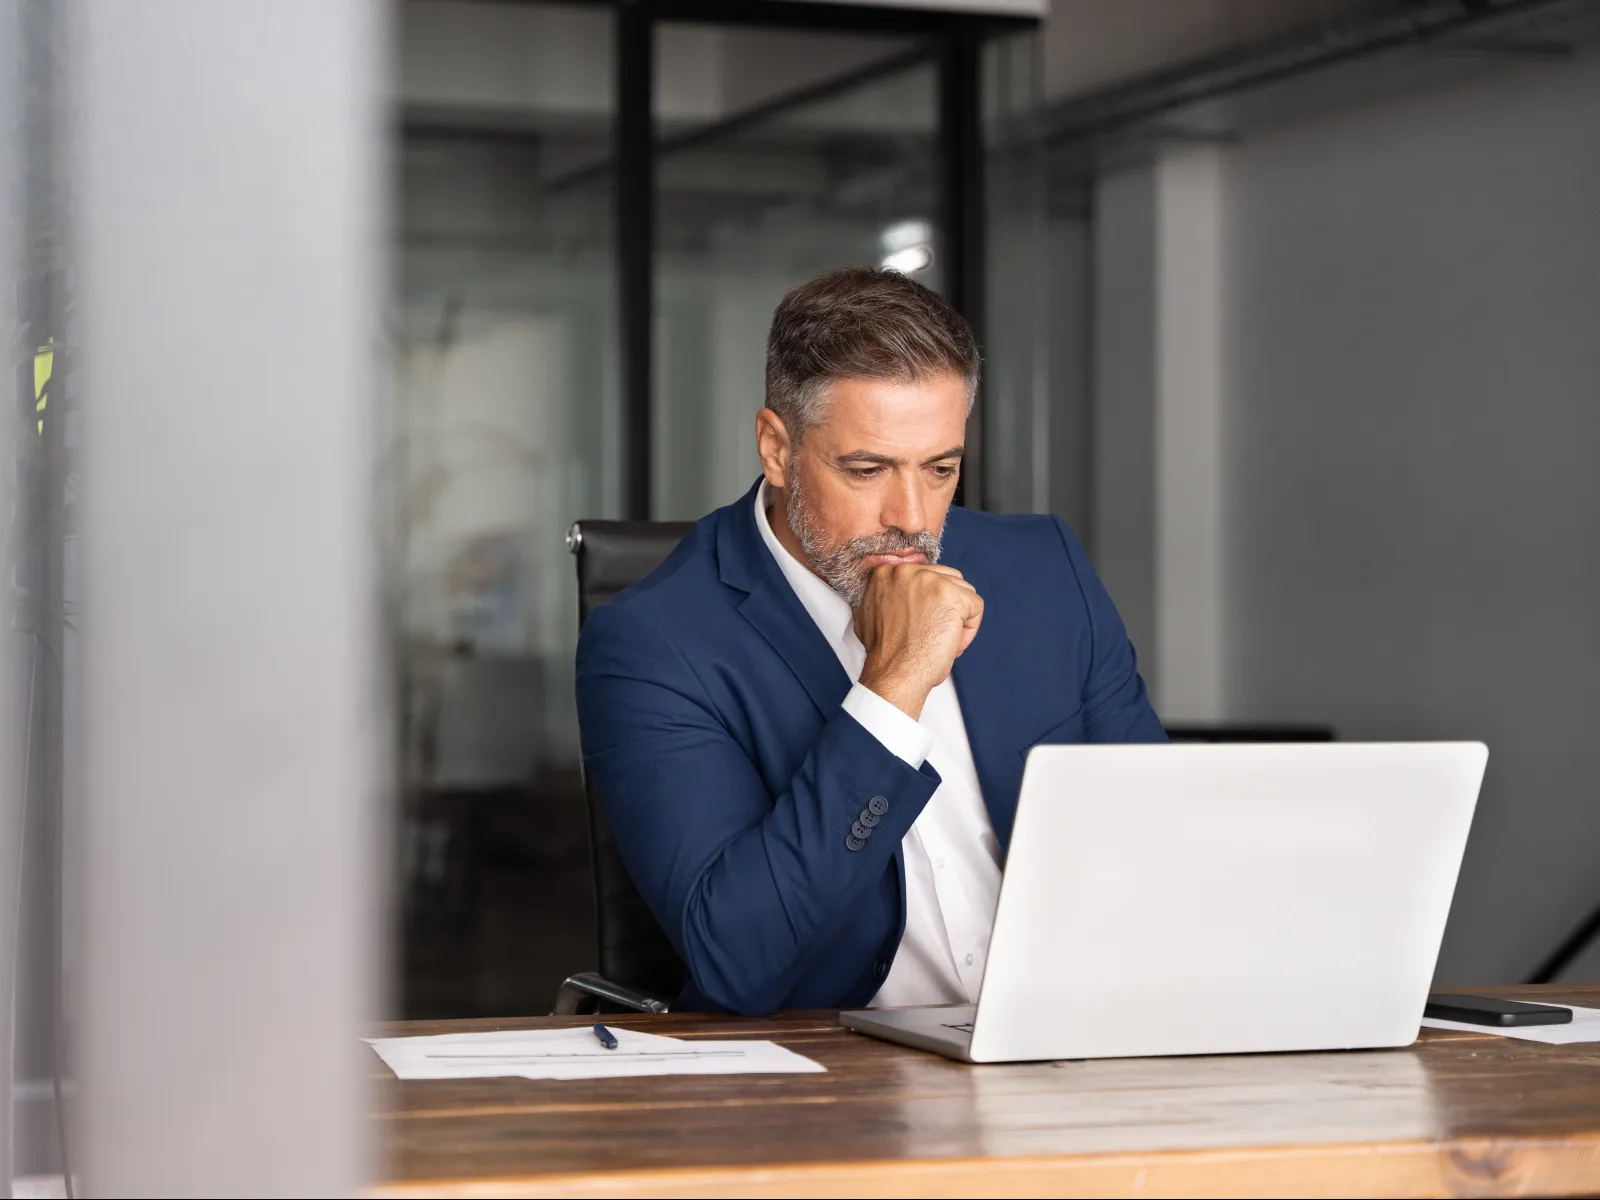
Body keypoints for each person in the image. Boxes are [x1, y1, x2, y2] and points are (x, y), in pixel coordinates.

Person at [576, 267, 1165, 1016]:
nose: (912, 517)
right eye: (867, 469)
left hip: (1063, 1039)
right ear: (777, 448)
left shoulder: (1044, 570)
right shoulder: (653, 644)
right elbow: (739, 961)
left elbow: (1155, 850)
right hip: (829, 1074)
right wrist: (895, 685)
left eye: (941, 468)